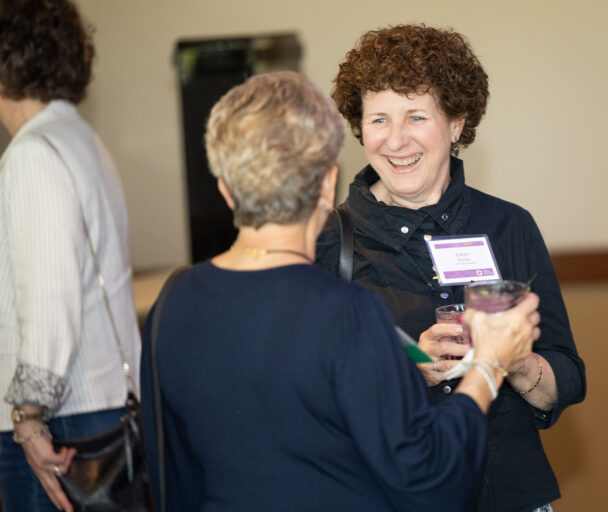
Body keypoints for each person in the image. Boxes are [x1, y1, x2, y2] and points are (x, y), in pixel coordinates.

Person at [139, 71, 542, 512]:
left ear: (225, 191)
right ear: (327, 184)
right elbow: (429, 478)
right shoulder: (347, 312)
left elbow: (168, 474)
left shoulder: (170, 305)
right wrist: (489, 365)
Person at [315, 24, 586, 512]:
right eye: (378, 120)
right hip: (389, 496)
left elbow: (567, 376)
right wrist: (410, 372)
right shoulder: (329, 242)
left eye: (416, 116)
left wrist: (515, 362)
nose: (396, 141)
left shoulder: (508, 226)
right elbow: (309, 398)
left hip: (509, 493)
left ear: (456, 123)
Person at [0, 1, 141, 511]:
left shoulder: (34, 154)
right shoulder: (83, 139)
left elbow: (49, 299)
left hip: (61, 424)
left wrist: (29, 419)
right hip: (101, 409)